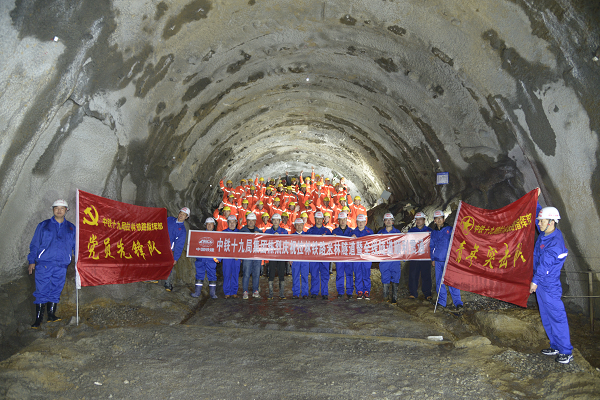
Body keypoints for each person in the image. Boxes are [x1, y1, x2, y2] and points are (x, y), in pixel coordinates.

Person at [530, 197, 573, 364]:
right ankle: (555, 345)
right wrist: (535, 198)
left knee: (557, 317)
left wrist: (534, 282)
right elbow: (537, 215)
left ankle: (566, 351)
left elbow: (545, 267)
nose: (538, 223)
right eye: (539, 221)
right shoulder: (546, 232)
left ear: (551, 222)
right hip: (542, 284)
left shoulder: (554, 242)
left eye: (542, 221)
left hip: (548, 285)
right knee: (546, 316)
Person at [28, 199, 76, 328]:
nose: (59, 210)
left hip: (61, 264)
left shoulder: (71, 227)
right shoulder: (43, 225)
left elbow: (75, 246)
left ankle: (51, 315)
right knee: (41, 289)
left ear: (66, 210)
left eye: (62, 208)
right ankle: (38, 319)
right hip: (44, 263)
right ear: (53, 209)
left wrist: (79, 262)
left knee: (56, 289)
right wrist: (31, 261)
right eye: (56, 208)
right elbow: (35, 244)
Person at [431, 210, 463, 309]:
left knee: (452, 281)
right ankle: (442, 302)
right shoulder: (434, 232)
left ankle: (458, 302)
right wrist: (432, 258)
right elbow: (431, 246)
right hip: (438, 260)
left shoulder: (450, 229)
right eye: (437, 218)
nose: (439, 220)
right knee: (439, 282)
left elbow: (456, 242)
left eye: (441, 218)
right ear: (435, 220)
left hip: (449, 260)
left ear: (444, 219)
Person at [306, 212, 332, 299]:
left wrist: (330, 237)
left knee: (325, 274)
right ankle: (314, 292)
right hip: (314, 256)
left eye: (320, 219)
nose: (319, 220)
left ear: (323, 219)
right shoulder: (310, 231)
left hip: (324, 257)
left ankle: (325, 293)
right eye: (317, 218)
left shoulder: (327, 231)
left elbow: (333, 241)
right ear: (315, 219)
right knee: (314, 274)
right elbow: (303, 240)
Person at [377, 213, 402, 303]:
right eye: (386, 220)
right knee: (385, 277)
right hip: (385, 260)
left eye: (390, 219)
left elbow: (403, 245)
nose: (388, 221)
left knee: (396, 277)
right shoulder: (380, 233)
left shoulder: (398, 233)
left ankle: (394, 298)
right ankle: (385, 298)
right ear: (384, 221)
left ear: (393, 221)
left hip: (395, 260)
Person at [408, 211, 433, 300]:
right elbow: (407, 243)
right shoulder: (411, 231)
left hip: (425, 257)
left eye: (420, 219)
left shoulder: (429, 231)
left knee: (426, 275)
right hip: (414, 257)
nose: (418, 221)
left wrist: (432, 257)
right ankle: (413, 293)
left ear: (424, 220)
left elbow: (433, 244)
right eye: (417, 219)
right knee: (413, 274)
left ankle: (427, 293)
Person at [192, 217, 219, 299]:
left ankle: (212, 293)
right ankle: (197, 293)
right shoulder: (200, 235)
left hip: (211, 260)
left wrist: (219, 258)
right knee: (199, 275)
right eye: (208, 224)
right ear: (206, 225)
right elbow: (194, 247)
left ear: (213, 225)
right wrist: (196, 256)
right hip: (201, 259)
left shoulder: (218, 236)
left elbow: (220, 249)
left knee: (212, 276)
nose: (209, 225)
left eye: (211, 224)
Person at [165, 207, 190, 291]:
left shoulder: (182, 230)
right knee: (156, 261)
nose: (181, 215)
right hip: (160, 245)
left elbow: (179, 245)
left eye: (184, 214)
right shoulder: (170, 219)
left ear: (186, 217)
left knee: (168, 266)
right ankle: (152, 277)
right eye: (181, 213)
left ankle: (167, 283)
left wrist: (175, 258)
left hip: (169, 249)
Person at [264, 214, 288, 299]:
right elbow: (264, 241)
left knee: (281, 274)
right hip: (272, 256)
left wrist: (280, 237)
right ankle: (271, 294)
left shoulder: (284, 231)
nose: (275, 221)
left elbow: (287, 241)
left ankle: (281, 294)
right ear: (272, 221)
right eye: (274, 220)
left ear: (280, 221)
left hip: (281, 256)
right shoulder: (267, 232)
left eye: (277, 220)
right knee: (271, 274)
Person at [332, 212, 355, 299]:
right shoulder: (334, 232)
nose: (342, 221)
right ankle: (340, 292)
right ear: (338, 220)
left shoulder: (351, 232)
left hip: (348, 257)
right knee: (339, 274)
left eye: (344, 219)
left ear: (346, 220)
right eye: (341, 220)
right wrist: (332, 237)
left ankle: (349, 292)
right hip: (339, 256)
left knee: (349, 274)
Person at [240, 213, 262, 299]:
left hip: (257, 256)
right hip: (247, 256)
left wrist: (259, 234)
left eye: (253, 221)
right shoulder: (242, 231)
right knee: (246, 274)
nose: (251, 222)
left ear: (255, 221)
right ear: (247, 221)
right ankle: (245, 291)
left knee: (256, 274)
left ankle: (255, 290)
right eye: (249, 220)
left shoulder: (259, 231)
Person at [352, 214, 373, 299]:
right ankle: (359, 291)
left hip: (366, 257)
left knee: (366, 274)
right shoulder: (352, 232)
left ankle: (366, 291)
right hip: (357, 257)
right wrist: (351, 238)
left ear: (365, 222)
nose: (361, 223)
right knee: (358, 274)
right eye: (359, 222)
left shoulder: (370, 232)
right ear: (356, 222)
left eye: (362, 222)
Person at [222, 215, 241, 299]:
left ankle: (234, 291)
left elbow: (243, 246)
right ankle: (227, 292)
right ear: (228, 223)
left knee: (235, 274)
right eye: (230, 222)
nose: (232, 224)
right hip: (227, 257)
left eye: (233, 222)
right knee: (226, 274)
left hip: (236, 257)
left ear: (236, 223)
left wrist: (240, 256)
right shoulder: (223, 233)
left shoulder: (240, 233)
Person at [291, 218, 310, 299]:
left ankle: (305, 293)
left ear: (303, 225)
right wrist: (289, 258)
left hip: (305, 259)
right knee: (295, 276)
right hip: (295, 259)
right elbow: (288, 248)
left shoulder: (308, 236)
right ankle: (296, 293)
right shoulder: (291, 237)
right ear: (295, 226)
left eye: (300, 225)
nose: (299, 226)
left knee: (305, 276)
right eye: (297, 225)